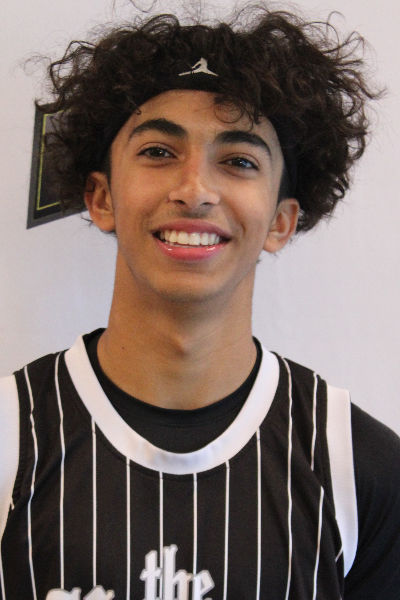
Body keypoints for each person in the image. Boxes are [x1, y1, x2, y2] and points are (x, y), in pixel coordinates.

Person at [0, 5, 399, 600]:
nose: (194, 191)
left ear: (281, 221)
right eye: (159, 152)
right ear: (102, 198)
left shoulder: (361, 469)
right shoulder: (10, 438)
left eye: (238, 161)